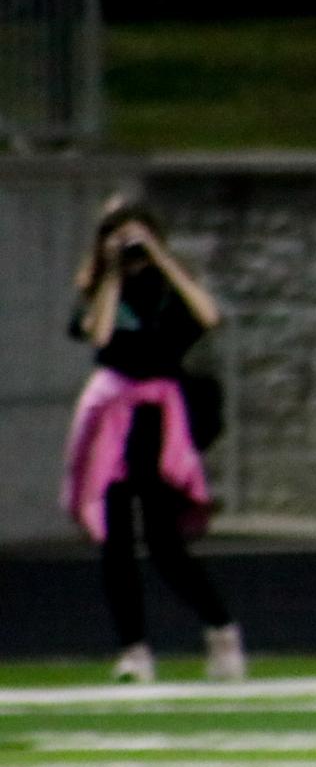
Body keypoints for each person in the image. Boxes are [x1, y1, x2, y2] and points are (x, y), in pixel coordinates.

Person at [62, 197, 244, 684]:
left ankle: (221, 632)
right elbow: (98, 335)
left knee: (164, 541)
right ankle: (134, 650)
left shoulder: (168, 289)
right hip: (112, 417)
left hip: (158, 420)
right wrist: (113, 271)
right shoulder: (101, 290)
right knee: (115, 540)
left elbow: (207, 316)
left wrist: (161, 258)